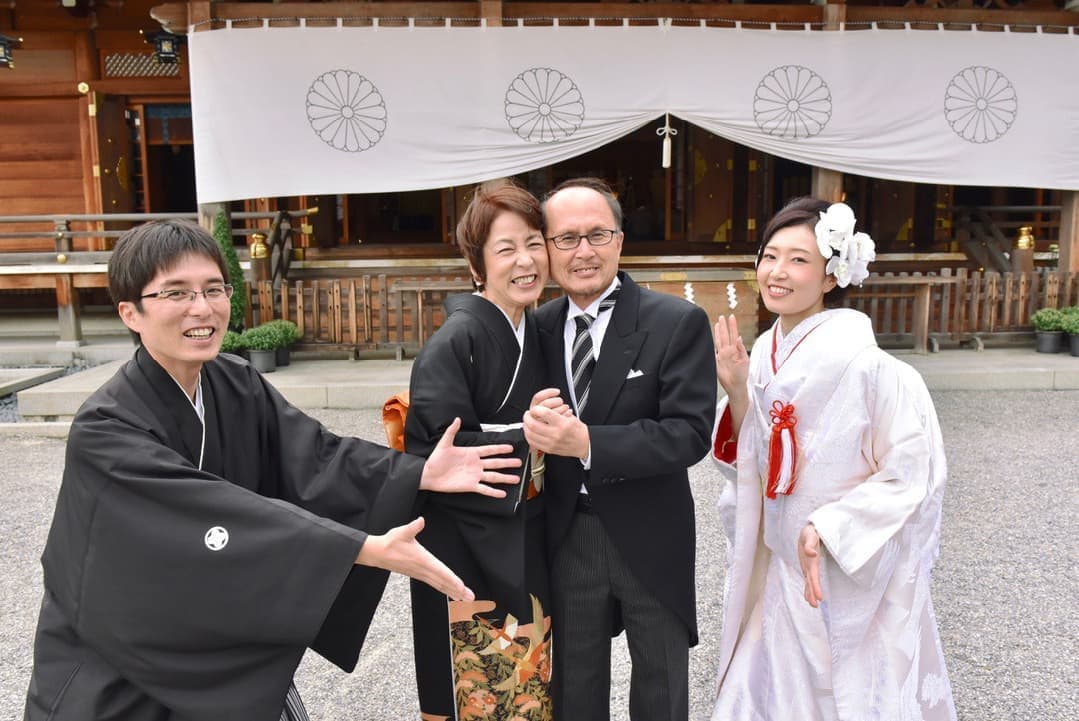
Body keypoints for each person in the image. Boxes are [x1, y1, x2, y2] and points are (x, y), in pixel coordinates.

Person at [23, 219, 522, 721]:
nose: (202, 308)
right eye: (176, 293)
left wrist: (416, 474)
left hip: (206, 638)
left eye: (213, 289)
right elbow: (207, 513)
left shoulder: (233, 381)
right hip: (118, 658)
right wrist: (362, 548)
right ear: (130, 312)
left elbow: (316, 456)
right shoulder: (105, 428)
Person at [710, 197, 956, 720]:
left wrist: (828, 526)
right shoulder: (760, 359)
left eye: (798, 259)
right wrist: (736, 393)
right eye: (769, 255)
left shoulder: (877, 371)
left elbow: (912, 474)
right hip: (783, 570)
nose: (777, 272)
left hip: (844, 568)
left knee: (847, 692)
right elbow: (751, 467)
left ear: (831, 276)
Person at [523, 177, 717, 721]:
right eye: (566, 238)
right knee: (575, 689)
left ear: (621, 240)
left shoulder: (674, 321)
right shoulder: (535, 327)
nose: (583, 252)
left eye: (597, 234)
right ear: (549, 249)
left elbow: (689, 433)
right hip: (567, 534)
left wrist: (585, 441)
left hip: (650, 529)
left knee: (660, 686)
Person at [404, 180, 556, 720]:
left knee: (528, 682)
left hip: (523, 529)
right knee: (473, 680)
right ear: (477, 265)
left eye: (534, 243)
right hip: (466, 541)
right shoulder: (457, 339)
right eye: (506, 248)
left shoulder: (537, 330)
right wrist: (530, 431)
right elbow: (435, 447)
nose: (525, 260)